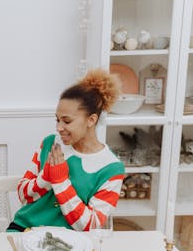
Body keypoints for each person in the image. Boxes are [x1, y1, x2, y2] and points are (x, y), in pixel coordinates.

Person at [8, 69, 125, 232]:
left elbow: (90, 225)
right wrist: (46, 178)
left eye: (67, 121)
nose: (59, 128)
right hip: (24, 230)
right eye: (57, 119)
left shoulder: (111, 169)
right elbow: (23, 195)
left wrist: (61, 181)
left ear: (91, 120)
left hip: (73, 244)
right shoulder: (50, 144)